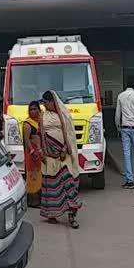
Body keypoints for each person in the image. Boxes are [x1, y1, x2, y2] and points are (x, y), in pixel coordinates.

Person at [39, 91, 82, 228]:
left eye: (46, 102)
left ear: (53, 102)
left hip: (64, 156)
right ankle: (52, 213)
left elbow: (69, 134)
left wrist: (64, 149)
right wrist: (43, 152)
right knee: (52, 185)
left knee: (69, 184)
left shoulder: (64, 115)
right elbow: (41, 135)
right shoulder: (43, 116)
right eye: (43, 102)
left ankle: (72, 216)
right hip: (50, 157)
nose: (44, 105)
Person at [22, 101, 43, 208]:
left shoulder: (40, 121)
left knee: (39, 175)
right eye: (31, 109)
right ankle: (32, 201)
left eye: (35, 109)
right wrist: (32, 151)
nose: (33, 111)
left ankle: (39, 199)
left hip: (39, 153)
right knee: (32, 176)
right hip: (32, 153)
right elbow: (26, 139)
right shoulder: (27, 123)